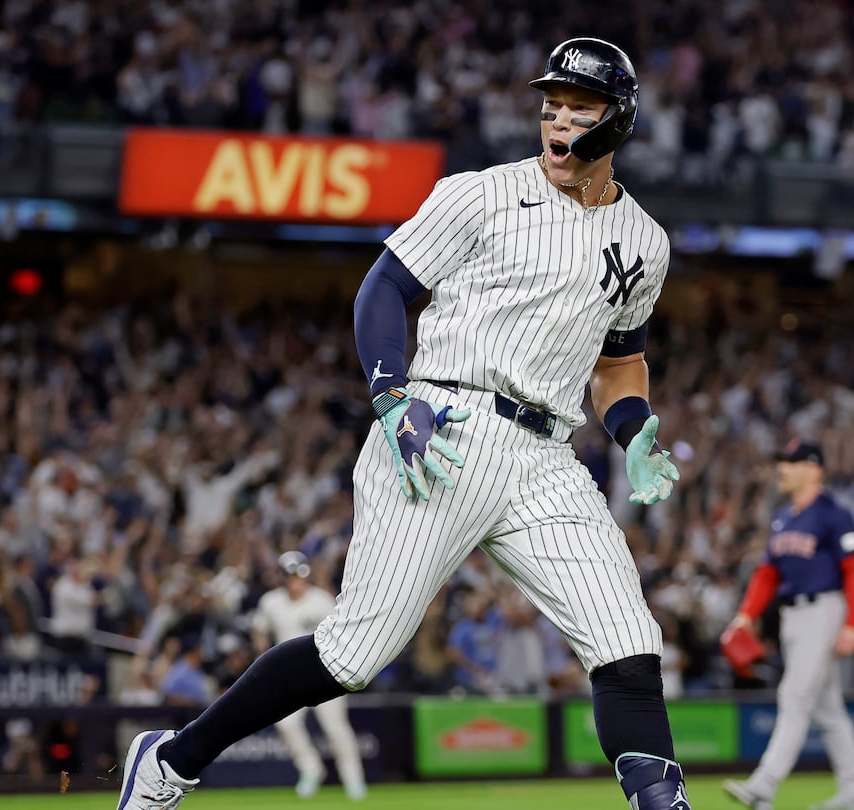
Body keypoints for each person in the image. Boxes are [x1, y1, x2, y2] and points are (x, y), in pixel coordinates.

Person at [117, 37, 692, 810]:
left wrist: (633, 430)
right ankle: (170, 762)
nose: (557, 123)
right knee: (353, 656)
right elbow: (382, 291)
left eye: (577, 110)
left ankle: (664, 804)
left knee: (629, 642)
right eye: (550, 107)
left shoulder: (646, 242)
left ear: (616, 121)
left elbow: (619, 362)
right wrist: (392, 398)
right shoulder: (480, 194)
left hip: (548, 457)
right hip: (441, 427)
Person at [722, 441, 854, 810]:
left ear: (814, 469)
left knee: (794, 696)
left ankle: (764, 786)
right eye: (782, 461)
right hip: (792, 616)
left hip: (824, 608)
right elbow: (767, 573)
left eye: (791, 462)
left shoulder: (833, 513)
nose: (783, 468)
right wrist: (746, 614)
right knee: (827, 709)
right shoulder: (783, 517)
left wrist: (853, 623)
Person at [250, 552, 367, 800]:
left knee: (336, 728)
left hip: (325, 672)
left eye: (300, 576)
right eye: (291, 577)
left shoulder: (321, 600)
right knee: (286, 723)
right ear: (283, 578)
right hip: (290, 676)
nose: (296, 582)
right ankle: (311, 769)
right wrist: (262, 659)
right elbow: (259, 630)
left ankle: (354, 782)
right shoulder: (271, 602)